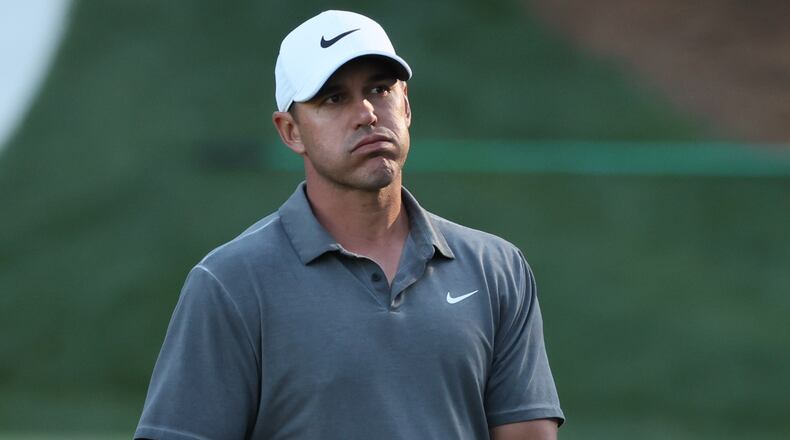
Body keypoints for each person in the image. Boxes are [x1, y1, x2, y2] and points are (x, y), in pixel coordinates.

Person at [134, 10, 564, 440]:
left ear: (406, 104)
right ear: (290, 131)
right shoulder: (230, 283)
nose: (366, 113)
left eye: (380, 89)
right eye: (333, 99)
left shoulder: (497, 270)